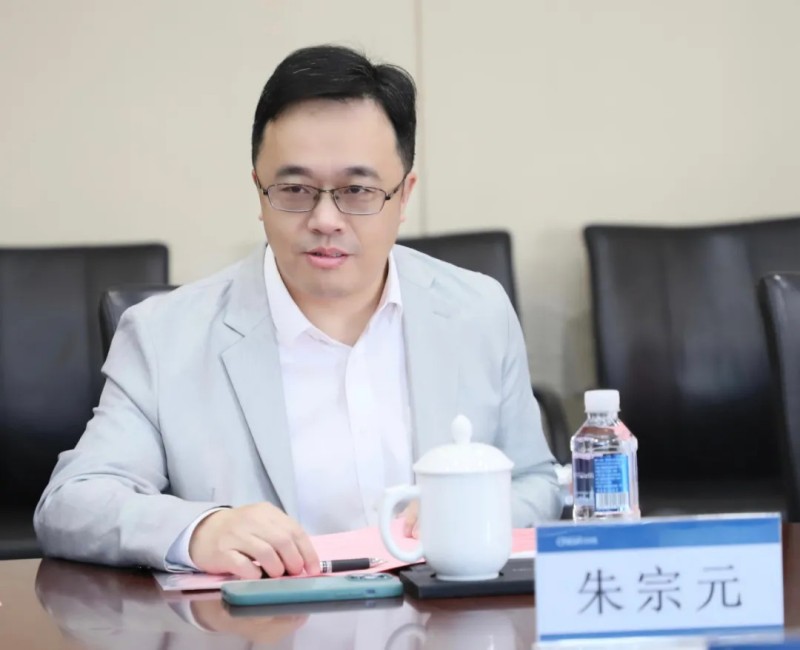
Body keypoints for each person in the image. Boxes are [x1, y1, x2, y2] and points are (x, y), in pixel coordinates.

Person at [34, 44, 562, 578]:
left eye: (357, 190)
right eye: (294, 189)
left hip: (437, 615)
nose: (325, 219)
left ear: (404, 197)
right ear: (259, 192)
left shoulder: (477, 312)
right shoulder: (165, 336)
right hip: (265, 618)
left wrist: (476, 510)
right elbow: (73, 502)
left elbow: (536, 482)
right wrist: (200, 529)